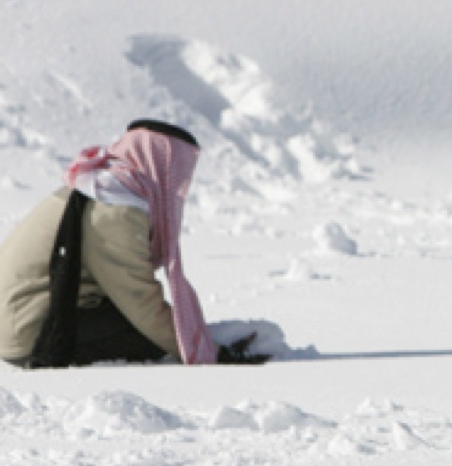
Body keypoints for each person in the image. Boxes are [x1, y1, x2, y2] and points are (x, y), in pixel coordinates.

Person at [0, 119, 267, 368]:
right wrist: (212, 354)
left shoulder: (100, 186)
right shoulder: (116, 206)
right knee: (148, 337)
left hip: (22, 319)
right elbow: (139, 301)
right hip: (27, 332)